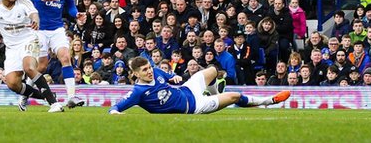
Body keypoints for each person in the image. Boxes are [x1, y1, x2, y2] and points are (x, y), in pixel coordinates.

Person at [0, 0, 62, 112]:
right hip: (11, 48)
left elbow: (34, 15)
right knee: (12, 83)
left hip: (29, 40)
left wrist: (35, 20)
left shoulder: (24, 3)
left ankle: (54, 104)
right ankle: (46, 96)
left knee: (29, 68)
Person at [109, 57, 290, 114]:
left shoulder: (156, 71)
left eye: (149, 67)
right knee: (234, 96)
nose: (149, 72)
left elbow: (171, 77)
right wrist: (116, 113)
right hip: (194, 106)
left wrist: (175, 78)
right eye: (144, 70)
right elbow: (115, 108)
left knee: (212, 70)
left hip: (188, 89)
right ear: (135, 74)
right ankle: (267, 101)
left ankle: (213, 91)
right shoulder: (137, 92)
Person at [28, 0, 86, 110]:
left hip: (57, 27)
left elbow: (70, 7)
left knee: (65, 57)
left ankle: (71, 97)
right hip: (39, 29)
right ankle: (25, 93)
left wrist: (77, 15)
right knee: (41, 66)